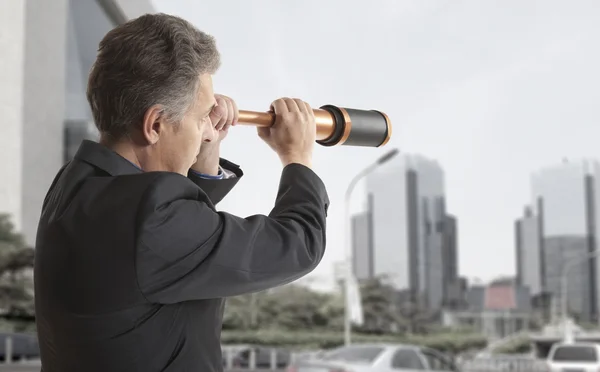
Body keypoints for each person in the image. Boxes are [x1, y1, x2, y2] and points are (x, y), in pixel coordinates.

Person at [34, 13, 329, 372]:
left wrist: (206, 145)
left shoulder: (75, 184)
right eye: (201, 117)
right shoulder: (150, 221)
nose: (208, 126)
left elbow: (171, 231)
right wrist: (296, 155)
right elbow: (298, 244)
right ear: (155, 124)